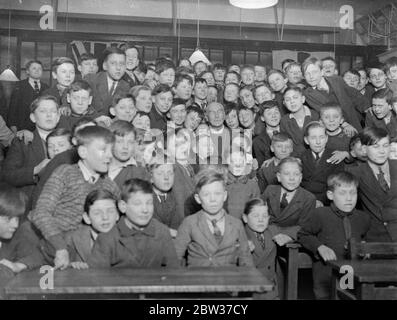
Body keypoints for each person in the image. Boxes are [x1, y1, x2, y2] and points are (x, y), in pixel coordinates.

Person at [28, 125, 120, 270]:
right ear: (83, 151)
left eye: (111, 150)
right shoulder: (64, 173)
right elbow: (40, 213)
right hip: (53, 249)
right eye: (103, 150)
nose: (109, 156)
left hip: (86, 256)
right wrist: (60, 247)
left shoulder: (110, 186)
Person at [298, 171, 370, 299]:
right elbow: (303, 235)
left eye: (353, 193)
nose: (349, 198)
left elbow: (365, 239)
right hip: (326, 274)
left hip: (352, 273)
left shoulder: (363, 218)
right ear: (330, 195)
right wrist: (320, 247)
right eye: (342, 193)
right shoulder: (320, 214)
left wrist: (365, 249)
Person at [88, 178, 179, 268]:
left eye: (149, 203)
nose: (145, 210)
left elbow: (174, 272)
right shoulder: (107, 238)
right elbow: (97, 279)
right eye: (137, 204)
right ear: (123, 206)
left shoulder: (161, 232)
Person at [175, 169, 254, 267]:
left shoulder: (236, 225)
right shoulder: (189, 223)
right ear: (198, 198)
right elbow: (174, 259)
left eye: (217, 193)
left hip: (228, 280)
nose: (213, 199)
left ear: (225, 195)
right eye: (206, 194)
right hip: (198, 279)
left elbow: (247, 262)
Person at [2, 95, 60, 204]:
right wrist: (35, 170)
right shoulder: (22, 142)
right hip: (32, 204)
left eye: (53, 111)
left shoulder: (70, 141)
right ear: (33, 117)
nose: (49, 115)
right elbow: (6, 176)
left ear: (58, 117)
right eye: (43, 111)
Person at [347, 127, 397, 241]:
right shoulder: (355, 173)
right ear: (364, 149)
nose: (382, 151)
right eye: (376, 146)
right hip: (375, 238)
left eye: (385, 145)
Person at [302, 56, 370, 133]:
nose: (311, 77)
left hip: (352, 120)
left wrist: (367, 109)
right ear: (304, 76)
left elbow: (354, 95)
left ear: (322, 72)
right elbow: (325, 111)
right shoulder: (308, 94)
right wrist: (344, 124)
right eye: (307, 74)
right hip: (335, 126)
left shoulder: (337, 80)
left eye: (314, 72)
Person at [262, 157, 316, 245]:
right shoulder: (270, 190)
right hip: (267, 232)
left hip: (288, 237)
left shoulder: (308, 198)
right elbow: (259, 213)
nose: (292, 178)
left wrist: (289, 236)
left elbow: (304, 225)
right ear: (279, 177)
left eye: (296, 174)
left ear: (301, 177)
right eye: (287, 174)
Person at [0, 184, 39, 299]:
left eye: (17, 218)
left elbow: (38, 256)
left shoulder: (20, 233)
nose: (15, 225)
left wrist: (19, 265)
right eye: (8, 219)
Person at [66, 189, 119, 269]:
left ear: (117, 215)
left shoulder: (129, 239)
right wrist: (70, 267)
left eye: (110, 211)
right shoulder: (71, 239)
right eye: (97, 213)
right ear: (87, 218)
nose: (105, 217)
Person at [300, 121, 344, 205]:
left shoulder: (335, 156)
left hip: (327, 200)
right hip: (305, 200)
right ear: (306, 140)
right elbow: (299, 185)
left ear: (326, 138)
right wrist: (310, 200)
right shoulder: (302, 157)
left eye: (321, 137)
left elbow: (337, 185)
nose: (318, 142)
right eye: (313, 138)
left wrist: (321, 200)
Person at [242, 198, 278, 300]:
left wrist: (288, 236)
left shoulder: (272, 230)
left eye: (264, 216)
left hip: (271, 290)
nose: (261, 220)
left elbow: (299, 229)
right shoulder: (239, 235)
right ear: (245, 218)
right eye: (255, 216)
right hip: (249, 290)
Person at [86, 47, 130, 115]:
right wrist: (96, 117)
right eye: (113, 63)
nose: (118, 68)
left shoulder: (126, 87)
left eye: (122, 64)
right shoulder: (91, 80)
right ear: (105, 66)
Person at [7, 60, 49, 131]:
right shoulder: (19, 86)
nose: (37, 70)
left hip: (41, 127)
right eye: (34, 68)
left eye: (39, 69)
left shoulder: (46, 87)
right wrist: (12, 125)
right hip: (22, 126)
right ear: (27, 71)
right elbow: (13, 107)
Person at [108, 120, 149, 188]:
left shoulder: (141, 172)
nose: (125, 147)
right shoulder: (99, 167)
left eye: (130, 142)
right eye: (120, 141)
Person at [280, 85, 319, 156]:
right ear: (284, 104)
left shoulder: (316, 115)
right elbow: (285, 145)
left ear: (303, 99)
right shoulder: (284, 121)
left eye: (295, 98)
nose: (292, 102)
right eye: (288, 100)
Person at [148, 159, 180, 237]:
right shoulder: (146, 198)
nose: (166, 177)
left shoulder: (176, 197)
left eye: (170, 173)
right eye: (160, 173)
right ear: (151, 177)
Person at [226, 149, 260, 219]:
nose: (238, 165)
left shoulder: (252, 185)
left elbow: (256, 209)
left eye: (241, 161)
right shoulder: (220, 183)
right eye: (233, 161)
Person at [252, 100, 281, 167]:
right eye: (269, 113)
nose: (274, 115)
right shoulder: (257, 141)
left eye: (276, 112)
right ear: (262, 118)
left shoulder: (289, 131)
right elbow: (262, 166)